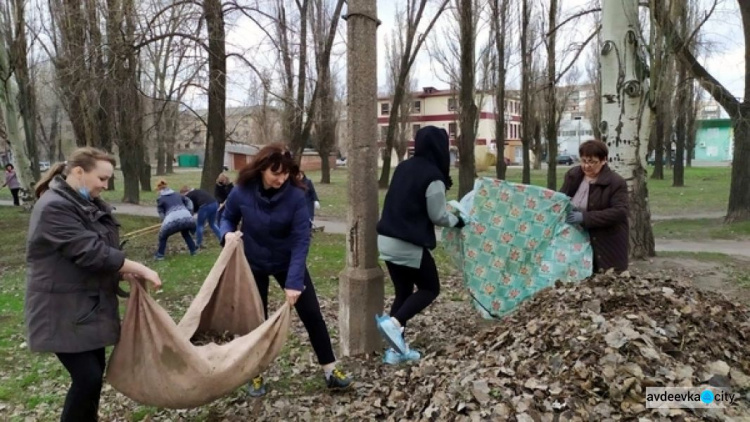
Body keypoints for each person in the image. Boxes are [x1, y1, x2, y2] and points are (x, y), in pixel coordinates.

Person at [25, 147, 162, 422]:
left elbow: (99, 253)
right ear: (78, 172)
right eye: (101, 178)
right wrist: (138, 267)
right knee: (87, 378)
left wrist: (122, 273)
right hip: (61, 311)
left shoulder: (84, 204)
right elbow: (90, 251)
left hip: (87, 308)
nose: (105, 185)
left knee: (92, 379)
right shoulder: (54, 207)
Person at [220, 143, 352, 396]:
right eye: (275, 173)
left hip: (287, 261)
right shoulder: (242, 191)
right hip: (254, 261)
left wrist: (294, 282)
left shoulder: (296, 196)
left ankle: (330, 369)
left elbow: (301, 239)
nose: (281, 179)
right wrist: (227, 234)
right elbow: (226, 216)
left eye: (285, 173)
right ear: (261, 169)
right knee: (254, 319)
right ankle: (254, 374)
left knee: (312, 313)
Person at [375, 126, 465, 365]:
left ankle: (396, 352)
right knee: (430, 288)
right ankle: (393, 324)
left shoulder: (404, 167)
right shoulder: (432, 176)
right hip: (407, 243)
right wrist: (458, 220)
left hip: (386, 240)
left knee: (403, 293)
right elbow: (437, 216)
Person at [560, 140, 629, 273]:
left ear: (603, 160)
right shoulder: (573, 176)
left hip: (607, 244)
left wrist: (585, 217)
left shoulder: (615, 182)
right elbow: (562, 197)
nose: (586, 166)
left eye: (592, 162)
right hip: (577, 241)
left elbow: (620, 212)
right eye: (583, 161)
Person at [154, 179, 197, 260]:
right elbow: (189, 201)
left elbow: (161, 213)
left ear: (159, 190)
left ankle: (160, 255)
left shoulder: (160, 199)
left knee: (163, 236)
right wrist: (189, 212)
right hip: (187, 217)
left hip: (172, 220)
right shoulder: (177, 194)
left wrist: (164, 221)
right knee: (185, 233)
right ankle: (193, 251)